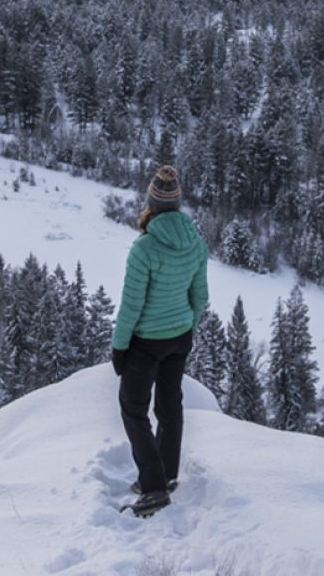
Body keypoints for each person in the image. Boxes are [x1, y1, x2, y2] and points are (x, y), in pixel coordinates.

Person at [110, 165, 209, 517]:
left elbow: (131, 305)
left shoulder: (145, 248)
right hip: (179, 338)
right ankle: (165, 474)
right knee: (169, 406)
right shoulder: (196, 243)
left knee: (133, 408)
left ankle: (153, 487)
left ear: (150, 204)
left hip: (146, 342)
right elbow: (201, 297)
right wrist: (185, 326)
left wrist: (119, 346)